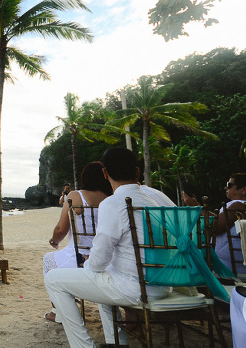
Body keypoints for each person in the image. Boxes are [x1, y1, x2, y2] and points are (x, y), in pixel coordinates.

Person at [44, 147, 174, 348]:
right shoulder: (154, 203)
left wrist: (88, 264)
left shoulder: (114, 203)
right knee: (104, 280)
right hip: (162, 285)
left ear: (105, 173)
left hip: (135, 288)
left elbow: (100, 259)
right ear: (137, 172)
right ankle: (116, 343)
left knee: (54, 279)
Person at [43, 162, 112, 323]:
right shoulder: (111, 198)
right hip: (108, 259)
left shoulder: (75, 195)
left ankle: (58, 311)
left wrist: (54, 241)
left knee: (48, 259)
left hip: (79, 258)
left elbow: (61, 229)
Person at [214, 173, 246, 272]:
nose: (226, 187)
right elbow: (236, 228)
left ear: (244, 190)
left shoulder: (238, 206)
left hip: (226, 266)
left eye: (229, 185)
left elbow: (212, 228)